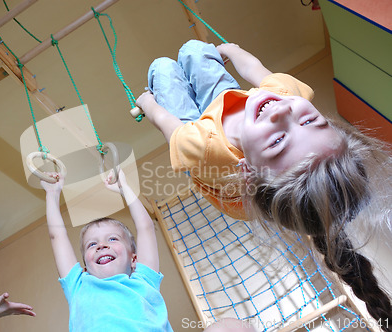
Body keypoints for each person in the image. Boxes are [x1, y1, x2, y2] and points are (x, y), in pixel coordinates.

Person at [136, 40, 392, 328]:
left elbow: (167, 123)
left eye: (278, 140)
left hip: (207, 143)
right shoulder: (283, 99)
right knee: (193, 50)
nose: (282, 113)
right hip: (230, 104)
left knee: (161, 68)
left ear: (248, 170)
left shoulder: (202, 147)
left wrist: (148, 103)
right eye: (309, 121)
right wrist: (231, 50)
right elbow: (254, 68)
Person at [40, 169, 173, 331]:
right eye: (91, 244)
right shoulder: (78, 285)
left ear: (134, 260)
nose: (101, 245)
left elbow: (146, 228)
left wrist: (125, 188)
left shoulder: (145, 281)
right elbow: (57, 236)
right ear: (85, 268)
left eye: (112, 239)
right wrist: (52, 194)